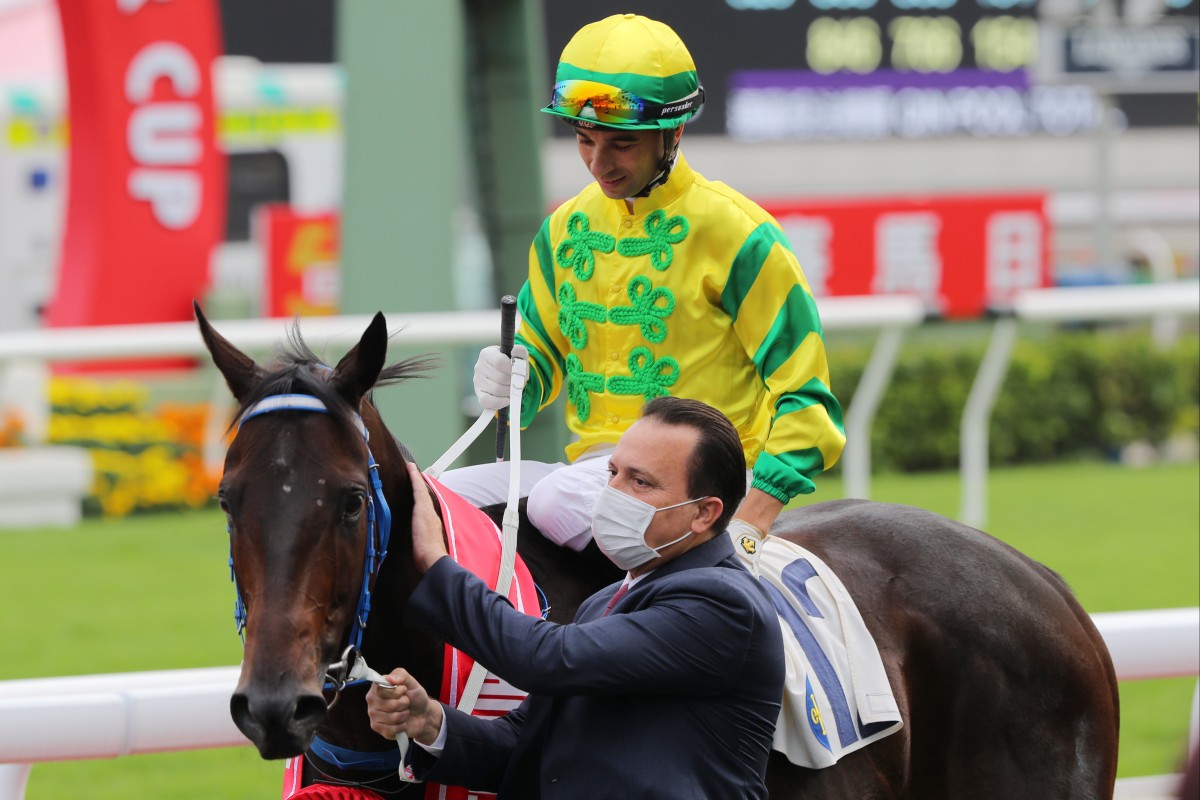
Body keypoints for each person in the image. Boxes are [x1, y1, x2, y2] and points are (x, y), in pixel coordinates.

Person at [441, 12, 844, 554]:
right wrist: (512, 378)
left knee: (555, 501)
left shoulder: (740, 234)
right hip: (591, 474)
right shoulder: (564, 229)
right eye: (584, 139)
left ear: (673, 132)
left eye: (621, 144)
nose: (598, 164)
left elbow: (806, 400)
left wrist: (752, 518)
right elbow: (540, 357)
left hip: (703, 487)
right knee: (434, 494)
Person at [369, 397, 785, 799]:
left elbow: (547, 658)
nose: (612, 492)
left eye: (640, 482)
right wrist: (431, 722)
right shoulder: (603, 601)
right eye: (613, 473)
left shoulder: (722, 602)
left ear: (704, 513)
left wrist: (438, 565)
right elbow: (527, 746)